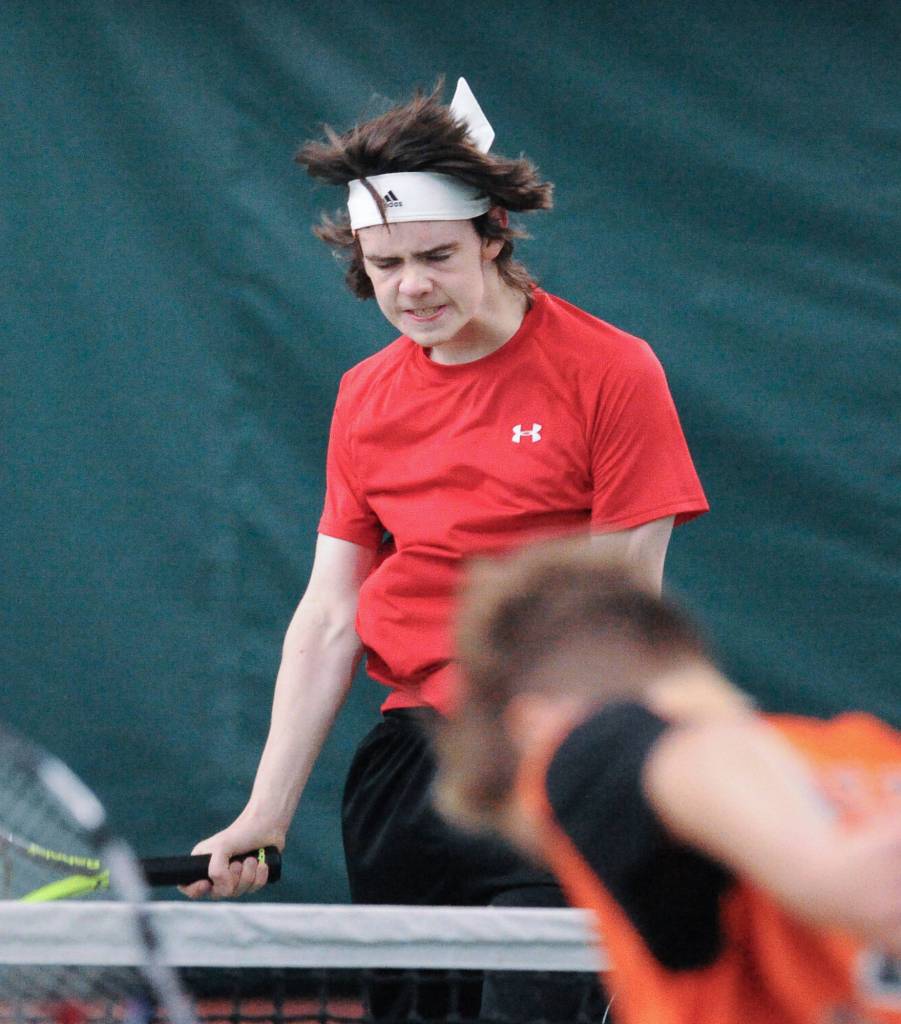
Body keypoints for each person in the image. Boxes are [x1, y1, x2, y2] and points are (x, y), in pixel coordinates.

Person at [182, 77, 708, 1019]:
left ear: (493, 236)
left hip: (553, 763)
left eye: (434, 256)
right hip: (407, 775)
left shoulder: (612, 371)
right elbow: (331, 614)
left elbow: (625, 615)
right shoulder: (362, 396)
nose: (410, 286)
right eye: (385, 266)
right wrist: (264, 813)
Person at [435, 539, 901, 1024]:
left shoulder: (583, 751)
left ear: (534, 727)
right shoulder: (871, 750)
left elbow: (646, 751)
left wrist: (822, 869)